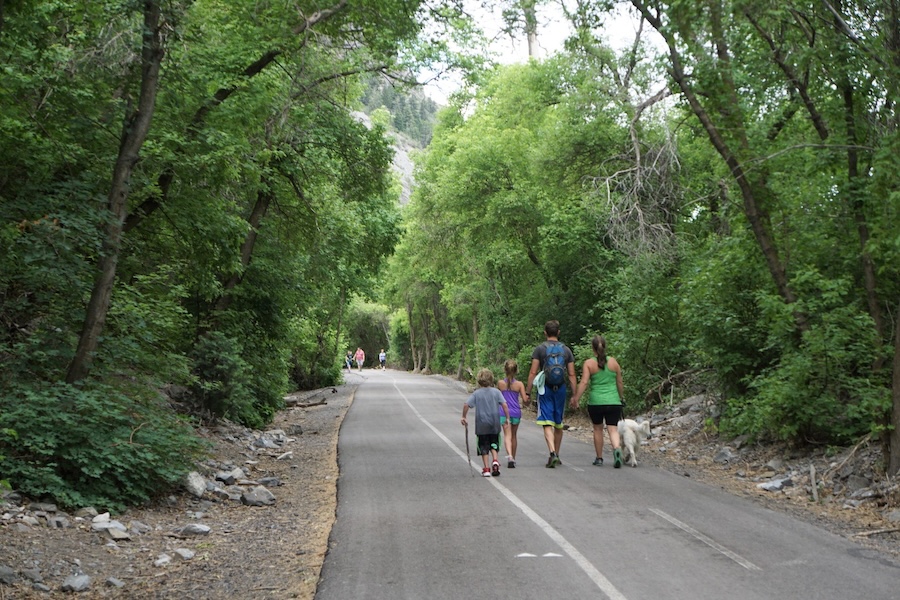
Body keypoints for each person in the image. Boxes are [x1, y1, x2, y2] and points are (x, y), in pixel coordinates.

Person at [526, 320, 577, 468]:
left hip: (545, 389)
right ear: (558, 333)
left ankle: (552, 453)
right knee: (558, 422)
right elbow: (572, 374)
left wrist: (528, 392)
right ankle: (557, 454)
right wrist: (574, 395)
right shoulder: (566, 350)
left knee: (547, 422)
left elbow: (533, 372)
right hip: (560, 389)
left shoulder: (540, 349)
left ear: (545, 333)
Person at [571, 335, 625, 468]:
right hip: (613, 402)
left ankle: (599, 458)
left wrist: (576, 398)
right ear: (605, 347)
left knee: (598, 429)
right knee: (613, 429)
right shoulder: (613, 362)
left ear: (592, 348)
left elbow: (584, 382)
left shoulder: (589, 363)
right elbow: (619, 382)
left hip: (596, 402)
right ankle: (617, 449)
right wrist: (621, 397)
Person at [462, 368, 510, 477]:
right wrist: (507, 418)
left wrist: (464, 416)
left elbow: (466, 405)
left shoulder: (477, 393)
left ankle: (486, 469)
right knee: (494, 443)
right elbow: (505, 405)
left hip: (481, 424)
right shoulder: (496, 392)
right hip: (494, 423)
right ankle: (496, 460)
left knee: (484, 446)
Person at [498, 359, 528, 468]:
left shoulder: (501, 383)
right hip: (516, 412)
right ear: (516, 371)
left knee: (507, 435)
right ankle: (513, 458)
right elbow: (525, 399)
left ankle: (509, 456)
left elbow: (498, 397)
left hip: (503, 412)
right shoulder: (519, 385)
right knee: (514, 436)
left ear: (504, 370)